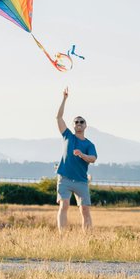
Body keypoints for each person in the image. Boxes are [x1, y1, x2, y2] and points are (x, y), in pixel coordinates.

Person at [55, 87, 97, 232]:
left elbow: (93, 159)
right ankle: (62, 237)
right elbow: (59, 118)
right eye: (76, 122)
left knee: (85, 210)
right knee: (64, 204)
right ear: (73, 125)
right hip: (64, 178)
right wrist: (64, 99)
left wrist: (82, 155)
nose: (79, 124)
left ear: (85, 126)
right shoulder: (67, 136)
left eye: (81, 122)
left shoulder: (89, 144)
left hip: (81, 181)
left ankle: (88, 239)